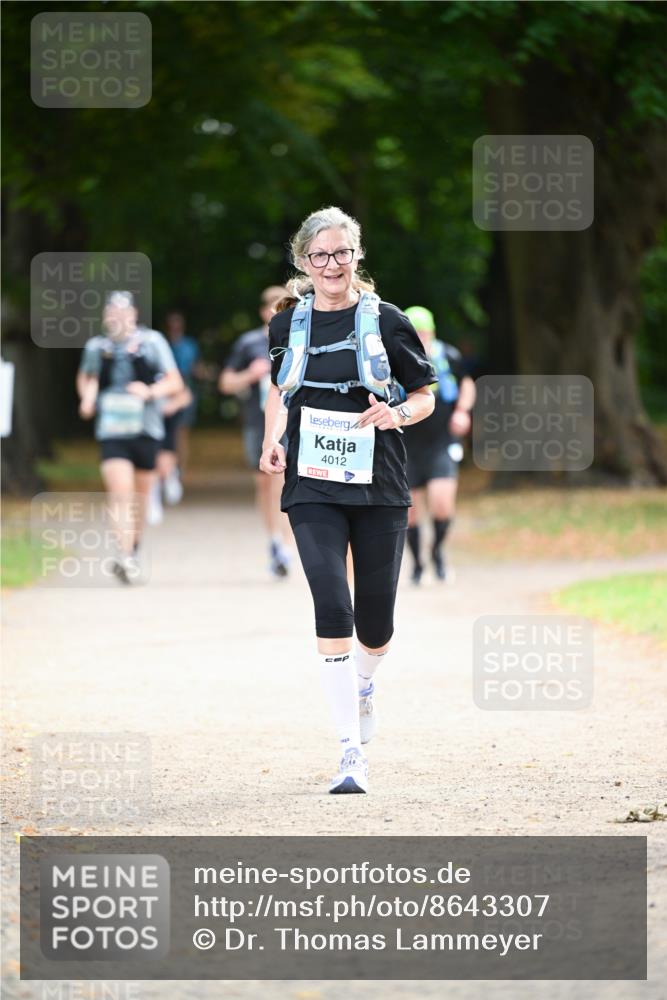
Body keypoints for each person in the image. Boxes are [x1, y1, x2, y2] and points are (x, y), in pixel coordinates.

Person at [260, 207, 435, 794]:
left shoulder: (388, 320)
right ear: (303, 261)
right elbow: (280, 391)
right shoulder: (287, 325)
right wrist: (272, 440)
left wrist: (397, 413)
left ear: (357, 256)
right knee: (333, 605)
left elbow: (425, 395)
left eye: (341, 253)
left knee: (376, 621)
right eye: (319, 255)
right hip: (311, 480)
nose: (331, 265)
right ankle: (349, 753)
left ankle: (363, 682)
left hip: (379, 480)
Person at [76, 292, 183, 582]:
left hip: (146, 429)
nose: (117, 318)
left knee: (140, 498)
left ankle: (132, 549)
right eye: (111, 312)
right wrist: (87, 398)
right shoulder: (97, 347)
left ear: (134, 315)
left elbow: (174, 382)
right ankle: (123, 554)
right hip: (112, 430)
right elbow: (87, 377)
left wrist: (149, 391)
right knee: (120, 492)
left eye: (122, 312)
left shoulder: (152, 342)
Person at [220, 286, 292, 578]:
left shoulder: (300, 338)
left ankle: (286, 546)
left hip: (294, 421)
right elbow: (226, 383)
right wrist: (250, 374)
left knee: (283, 484)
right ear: (264, 311)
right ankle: (274, 539)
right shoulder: (248, 343)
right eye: (275, 306)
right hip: (257, 422)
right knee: (265, 485)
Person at [402, 306, 476, 584]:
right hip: (406, 447)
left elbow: (467, 384)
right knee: (409, 514)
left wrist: (462, 411)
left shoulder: (448, 355)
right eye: (415, 333)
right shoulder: (394, 360)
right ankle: (417, 564)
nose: (420, 338)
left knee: (442, 504)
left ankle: (437, 552)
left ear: (432, 332)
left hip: (441, 443)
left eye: (424, 332)